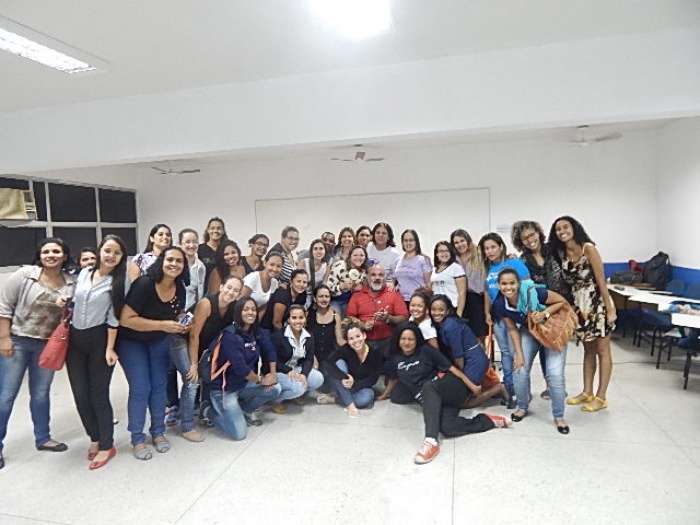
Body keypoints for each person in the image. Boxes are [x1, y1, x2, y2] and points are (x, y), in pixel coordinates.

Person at [377, 323, 511, 464]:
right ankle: (488, 421)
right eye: (403, 339)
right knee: (447, 427)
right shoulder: (394, 360)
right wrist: (384, 395)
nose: (407, 343)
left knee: (428, 387)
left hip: (449, 386)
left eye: (411, 339)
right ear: (398, 340)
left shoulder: (426, 351)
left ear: (417, 340)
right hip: (433, 401)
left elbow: (452, 369)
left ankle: (431, 441)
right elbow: (394, 379)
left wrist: (471, 386)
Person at [0, 238, 77, 470]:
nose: (51, 255)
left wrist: (66, 306)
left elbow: (72, 314)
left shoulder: (71, 282)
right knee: (6, 396)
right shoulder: (25, 275)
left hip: (47, 345)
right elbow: (4, 306)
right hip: (17, 341)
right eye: (46, 251)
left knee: (41, 393)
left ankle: (43, 438)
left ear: (64, 256)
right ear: (40, 255)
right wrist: (3, 338)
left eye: (56, 251)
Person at [118, 246, 190, 460]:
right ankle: (137, 439)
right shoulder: (144, 284)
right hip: (131, 341)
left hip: (158, 340)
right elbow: (126, 319)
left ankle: (158, 432)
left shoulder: (179, 287)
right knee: (141, 388)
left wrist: (182, 321)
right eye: (170, 259)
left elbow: (177, 312)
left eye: (179, 261)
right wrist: (163, 325)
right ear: (161, 261)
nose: (174, 264)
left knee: (159, 387)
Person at [66, 235, 126, 469]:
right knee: (80, 394)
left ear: (121, 258)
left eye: (117, 253)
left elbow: (114, 317)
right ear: (100, 251)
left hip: (99, 340)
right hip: (75, 340)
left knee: (98, 394)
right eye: (108, 250)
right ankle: (95, 437)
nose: (111, 255)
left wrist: (110, 348)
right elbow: (76, 300)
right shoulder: (83, 273)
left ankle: (107, 445)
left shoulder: (117, 282)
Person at [549, 216, 616, 413]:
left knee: (603, 350)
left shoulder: (588, 248)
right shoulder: (562, 254)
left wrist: (609, 308)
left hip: (597, 304)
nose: (562, 231)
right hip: (580, 307)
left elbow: (601, 281)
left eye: (565, 227)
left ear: (574, 228)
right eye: (558, 229)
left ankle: (601, 397)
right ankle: (587, 392)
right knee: (588, 350)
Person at [493, 268, 570, 434]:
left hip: (552, 330)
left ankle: (559, 416)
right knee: (519, 369)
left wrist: (544, 313)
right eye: (504, 284)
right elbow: (512, 329)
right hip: (530, 331)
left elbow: (562, 302)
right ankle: (522, 407)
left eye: (512, 283)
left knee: (555, 374)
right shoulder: (499, 304)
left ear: (518, 283)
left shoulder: (534, 293)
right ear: (498, 285)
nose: (508, 287)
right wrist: (519, 356)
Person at [201, 298, 281, 440]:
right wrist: (262, 380)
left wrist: (272, 375)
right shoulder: (229, 336)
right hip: (224, 389)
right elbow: (240, 368)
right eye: (246, 309)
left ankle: (245, 411)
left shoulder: (256, 331)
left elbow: (270, 350)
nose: (250, 312)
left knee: (275, 388)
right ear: (238, 312)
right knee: (239, 434)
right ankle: (207, 410)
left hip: (244, 384)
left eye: (253, 309)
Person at [511, 220, 569, 400]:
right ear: (521, 242)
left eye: (532, 235)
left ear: (538, 233)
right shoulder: (522, 261)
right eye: (525, 238)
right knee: (541, 346)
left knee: (554, 348)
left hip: (559, 307)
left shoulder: (556, 251)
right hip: (537, 311)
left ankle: (554, 387)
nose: (530, 240)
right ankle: (540, 388)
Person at [163, 229, 208, 438]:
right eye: (187, 242)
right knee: (173, 370)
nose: (191, 245)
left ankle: (187, 408)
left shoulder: (201, 267)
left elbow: (199, 295)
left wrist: (193, 319)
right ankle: (175, 409)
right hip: (170, 324)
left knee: (189, 370)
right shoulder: (171, 269)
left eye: (194, 242)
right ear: (180, 243)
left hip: (189, 321)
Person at [429, 294, 511, 407]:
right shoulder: (440, 324)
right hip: (469, 359)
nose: (436, 313)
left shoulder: (450, 326)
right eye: (433, 309)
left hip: (474, 361)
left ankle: (498, 389)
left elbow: (458, 356)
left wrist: (460, 376)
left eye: (441, 309)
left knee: (464, 402)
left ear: (448, 311)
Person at [479, 232, 530, 401]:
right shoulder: (487, 268)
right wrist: (487, 312)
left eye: (493, 247)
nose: (490, 251)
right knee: (505, 353)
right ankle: (509, 387)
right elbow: (487, 293)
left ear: (501, 247)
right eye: (487, 248)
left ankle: (523, 390)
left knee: (518, 352)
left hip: (516, 315)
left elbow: (527, 285)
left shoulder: (514, 263)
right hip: (498, 316)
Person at [186, 276, 242, 426]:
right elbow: (193, 335)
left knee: (209, 373)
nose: (231, 292)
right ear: (221, 287)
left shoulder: (233, 307)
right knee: (191, 377)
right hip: (184, 340)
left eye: (236, 290)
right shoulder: (206, 304)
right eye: (229, 287)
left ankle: (203, 408)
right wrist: (194, 364)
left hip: (206, 344)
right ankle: (182, 414)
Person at [317, 322, 383, 418]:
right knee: (339, 363)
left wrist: (354, 383)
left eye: (358, 336)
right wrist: (345, 377)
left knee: (367, 397)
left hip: (360, 386)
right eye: (351, 338)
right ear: (347, 341)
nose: (355, 341)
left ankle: (334, 399)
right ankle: (351, 406)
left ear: (364, 335)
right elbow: (328, 363)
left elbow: (372, 379)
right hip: (343, 384)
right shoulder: (346, 349)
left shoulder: (376, 353)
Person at [268, 306, 325, 412]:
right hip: (279, 371)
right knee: (299, 388)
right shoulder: (278, 336)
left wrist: (304, 374)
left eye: (301, 317)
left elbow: (308, 359)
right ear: (288, 319)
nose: (298, 321)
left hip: (295, 369)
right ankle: (275, 400)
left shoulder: (309, 335)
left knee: (318, 378)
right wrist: (287, 370)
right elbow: (271, 360)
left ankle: (294, 395)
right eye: (294, 318)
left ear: (305, 318)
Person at [346, 264, 409, 358]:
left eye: (380, 275)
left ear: (385, 278)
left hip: (388, 341)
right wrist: (362, 325)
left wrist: (388, 318)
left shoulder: (394, 294)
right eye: (373, 275)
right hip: (363, 342)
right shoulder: (357, 295)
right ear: (367, 278)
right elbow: (349, 317)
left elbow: (404, 318)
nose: (377, 278)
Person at [450, 229, 487, 340]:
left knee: (479, 335)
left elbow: (495, 256)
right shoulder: (453, 259)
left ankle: (481, 351)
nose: (460, 244)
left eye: (462, 241)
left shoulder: (479, 253)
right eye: (456, 242)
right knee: (465, 335)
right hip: (461, 299)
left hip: (478, 298)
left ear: (468, 240)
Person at [306, 284, 345, 371]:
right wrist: (312, 357)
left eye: (327, 296)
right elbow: (304, 341)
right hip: (312, 356)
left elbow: (339, 340)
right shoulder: (307, 315)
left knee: (343, 372)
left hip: (330, 356)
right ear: (315, 298)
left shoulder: (335, 315)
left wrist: (354, 346)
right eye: (321, 296)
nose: (324, 299)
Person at [326, 245, 369, 317]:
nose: (358, 258)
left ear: (365, 257)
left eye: (361, 255)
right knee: (335, 318)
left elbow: (367, 287)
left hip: (351, 301)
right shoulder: (340, 267)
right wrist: (340, 287)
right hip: (335, 300)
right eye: (355, 255)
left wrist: (361, 286)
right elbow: (327, 288)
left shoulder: (365, 271)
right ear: (350, 256)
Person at [241, 251, 283, 320]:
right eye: (272, 264)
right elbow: (240, 303)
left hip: (253, 318)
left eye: (278, 266)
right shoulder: (253, 278)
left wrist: (256, 323)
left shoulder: (274, 283)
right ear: (265, 263)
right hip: (240, 317)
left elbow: (263, 306)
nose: (275, 269)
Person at [394, 229, 432, 305]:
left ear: (416, 242)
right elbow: (398, 280)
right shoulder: (398, 260)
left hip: (418, 301)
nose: (408, 243)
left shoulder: (423, 260)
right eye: (405, 240)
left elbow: (428, 283)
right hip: (400, 301)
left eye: (411, 240)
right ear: (402, 243)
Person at [431, 241, 467, 318]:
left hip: (452, 308)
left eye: (447, 251)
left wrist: (459, 314)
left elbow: (462, 292)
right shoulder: (434, 269)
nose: (444, 253)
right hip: (437, 308)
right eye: (441, 251)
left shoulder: (456, 268)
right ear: (436, 254)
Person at [198, 217, 228, 289]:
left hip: (224, 289)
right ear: (208, 230)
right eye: (212, 228)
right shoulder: (199, 249)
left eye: (219, 228)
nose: (215, 230)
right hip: (204, 290)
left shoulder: (227, 249)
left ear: (223, 231)